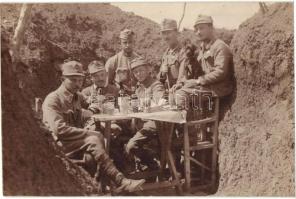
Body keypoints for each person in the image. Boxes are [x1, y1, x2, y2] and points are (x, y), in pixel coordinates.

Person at [42, 60, 145, 193]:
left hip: (77, 142)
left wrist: (96, 115)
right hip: (59, 143)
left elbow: (92, 107)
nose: (77, 84)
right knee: (95, 139)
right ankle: (120, 181)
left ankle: (106, 187)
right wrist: (89, 134)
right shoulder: (53, 99)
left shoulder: (77, 96)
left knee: (103, 142)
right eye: (73, 80)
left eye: (80, 80)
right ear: (62, 79)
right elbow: (59, 130)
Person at [175, 15, 234, 110]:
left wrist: (198, 81)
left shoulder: (220, 46)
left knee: (181, 95)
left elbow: (221, 72)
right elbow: (198, 71)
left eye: (201, 28)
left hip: (218, 89)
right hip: (207, 86)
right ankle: (182, 122)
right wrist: (182, 83)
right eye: (196, 29)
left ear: (211, 28)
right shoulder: (202, 48)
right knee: (175, 92)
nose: (198, 32)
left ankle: (182, 124)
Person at [125, 57, 166, 177]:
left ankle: (153, 165)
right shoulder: (139, 89)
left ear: (148, 70)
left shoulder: (156, 85)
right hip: (142, 124)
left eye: (141, 70)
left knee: (131, 146)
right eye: (136, 72)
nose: (139, 74)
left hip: (155, 123)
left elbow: (160, 103)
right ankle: (146, 168)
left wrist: (141, 105)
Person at [105, 29, 140, 95]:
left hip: (137, 96)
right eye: (125, 42)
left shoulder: (139, 60)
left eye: (130, 42)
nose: (128, 45)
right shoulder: (112, 61)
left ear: (134, 43)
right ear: (120, 43)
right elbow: (107, 83)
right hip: (119, 96)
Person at [158, 18, 188, 89]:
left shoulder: (183, 52)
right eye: (164, 33)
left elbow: (182, 78)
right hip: (168, 90)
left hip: (180, 90)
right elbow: (160, 78)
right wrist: (162, 74)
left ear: (176, 33)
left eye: (168, 33)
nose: (166, 37)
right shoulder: (166, 54)